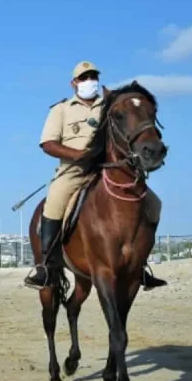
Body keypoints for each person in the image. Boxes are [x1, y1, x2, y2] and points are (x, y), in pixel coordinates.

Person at [24, 61, 167, 291]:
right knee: (55, 201)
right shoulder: (61, 109)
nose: (89, 81)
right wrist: (78, 154)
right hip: (74, 170)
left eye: (93, 76)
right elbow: (48, 144)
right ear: (74, 83)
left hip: (108, 168)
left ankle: (140, 266)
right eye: (84, 77)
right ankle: (46, 267)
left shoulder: (110, 106)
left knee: (154, 203)